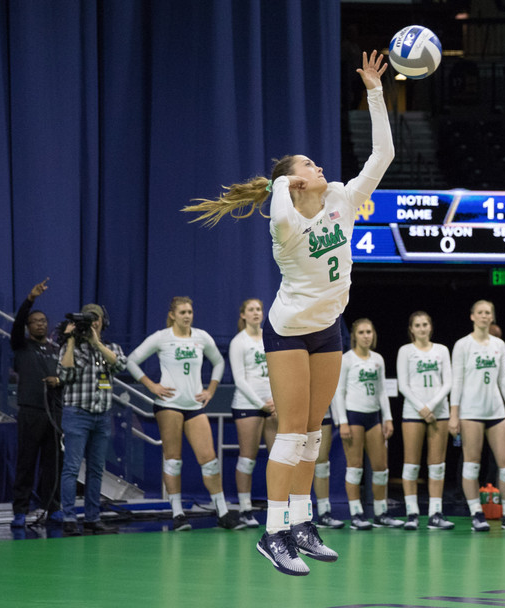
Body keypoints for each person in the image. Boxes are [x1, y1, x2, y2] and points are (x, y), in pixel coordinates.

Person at [182, 50, 392, 575]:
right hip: (289, 331)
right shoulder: (286, 227)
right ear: (295, 184)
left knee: (314, 431)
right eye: (308, 166)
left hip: (329, 328)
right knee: (293, 431)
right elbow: (279, 210)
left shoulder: (343, 198)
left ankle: (302, 522)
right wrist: (282, 182)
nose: (319, 167)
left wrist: (374, 91)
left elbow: (383, 154)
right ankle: (273, 531)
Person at [127, 297, 240, 532]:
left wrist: (211, 389)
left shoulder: (201, 337)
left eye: (190, 311)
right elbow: (132, 361)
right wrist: (152, 385)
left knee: (209, 459)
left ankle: (222, 511)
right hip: (169, 405)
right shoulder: (161, 337)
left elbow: (219, 361)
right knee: (173, 458)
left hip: (194, 406)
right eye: (182, 312)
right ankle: (178, 513)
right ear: (172, 315)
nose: (187, 316)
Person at [449, 299, 505, 532]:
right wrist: (454, 414)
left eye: (488, 312)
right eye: (480, 312)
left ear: (492, 316)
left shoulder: (499, 344)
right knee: (472, 465)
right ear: (472, 316)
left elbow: (503, 380)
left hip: (496, 411)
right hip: (471, 411)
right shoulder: (462, 345)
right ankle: (476, 513)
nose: (484, 316)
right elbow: (457, 380)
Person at [57, 303, 126, 536]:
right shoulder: (73, 347)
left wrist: (97, 344)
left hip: (102, 416)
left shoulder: (111, 347)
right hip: (77, 413)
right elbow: (65, 374)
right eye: (88, 319)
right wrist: (70, 341)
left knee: (96, 470)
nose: (93, 322)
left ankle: (92, 518)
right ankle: (68, 517)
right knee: (72, 468)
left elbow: (120, 364)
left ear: (102, 322)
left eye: (96, 318)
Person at [333, 318, 401, 530]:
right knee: (355, 468)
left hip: (373, 418)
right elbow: (338, 392)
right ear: (354, 336)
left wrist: (387, 417)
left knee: (381, 468)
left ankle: (381, 513)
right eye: (362, 332)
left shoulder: (378, 359)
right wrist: (342, 421)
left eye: (369, 332)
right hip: (353, 416)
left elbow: (382, 391)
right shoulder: (347, 359)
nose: (366, 336)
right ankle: (356, 514)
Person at [10, 278, 63, 528]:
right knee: (26, 463)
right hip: (30, 412)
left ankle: (53, 507)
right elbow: (19, 321)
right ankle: (20, 510)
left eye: (43, 321)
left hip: (53, 413)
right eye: (35, 321)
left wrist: (58, 380)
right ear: (29, 326)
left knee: (53, 466)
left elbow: (67, 376)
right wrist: (30, 299)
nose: (40, 324)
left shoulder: (55, 350)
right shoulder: (21, 346)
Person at [396, 311, 454, 530]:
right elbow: (403, 385)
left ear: (431, 327)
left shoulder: (442, 350)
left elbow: (447, 382)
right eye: (417, 325)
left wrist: (431, 407)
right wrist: (422, 407)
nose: (421, 328)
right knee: (411, 465)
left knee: (437, 465)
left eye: (425, 324)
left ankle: (435, 514)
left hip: (439, 412)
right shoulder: (405, 351)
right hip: (413, 412)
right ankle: (412, 513)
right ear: (411, 329)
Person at [228, 298, 279, 528]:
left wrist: (276, 401)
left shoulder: (270, 338)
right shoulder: (239, 342)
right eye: (251, 309)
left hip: (271, 405)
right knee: (247, 459)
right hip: (248, 405)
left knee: (278, 458)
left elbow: (279, 372)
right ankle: (245, 509)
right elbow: (239, 380)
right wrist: (260, 403)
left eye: (259, 309)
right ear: (243, 315)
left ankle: (279, 508)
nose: (256, 312)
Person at [312, 405, 344, 529]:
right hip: (298, 414)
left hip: (323, 414)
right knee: (296, 464)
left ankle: (324, 513)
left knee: (322, 464)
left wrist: (339, 418)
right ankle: (295, 517)